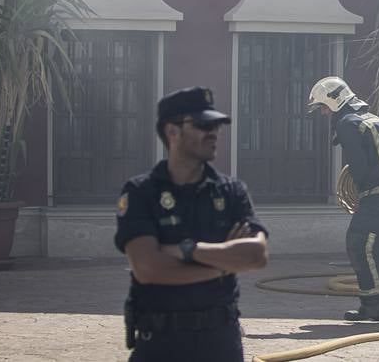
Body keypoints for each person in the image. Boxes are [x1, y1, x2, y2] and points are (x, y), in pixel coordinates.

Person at [115, 86, 269, 361]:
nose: (214, 132)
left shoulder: (230, 191)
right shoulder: (141, 192)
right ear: (172, 131)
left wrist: (186, 250)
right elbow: (148, 268)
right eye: (203, 125)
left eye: (216, 125)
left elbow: (256, 255)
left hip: (220, 342)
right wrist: (224, 262)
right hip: (161, 343)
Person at [308, 75, 379, 323]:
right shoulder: (376, 120)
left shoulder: (347, 123)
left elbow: (359, 168)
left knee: (360, 242)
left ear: (334, 102)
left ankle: (373, 305)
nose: (324, 114)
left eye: (323, 108)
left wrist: (361, 196)